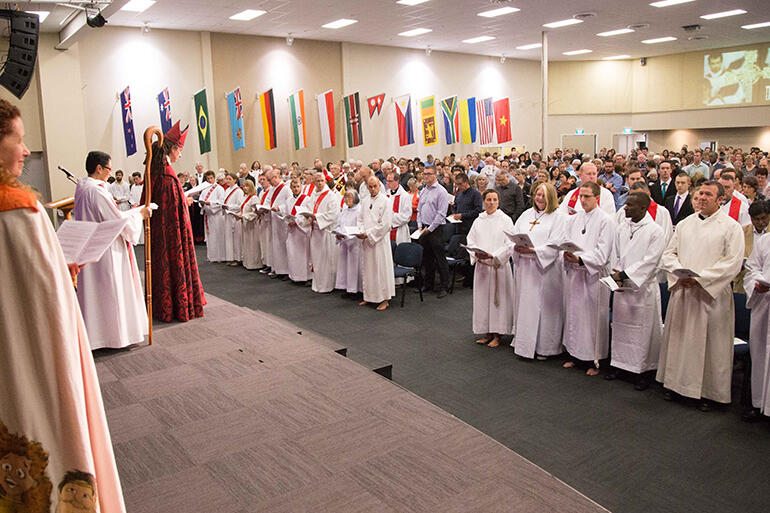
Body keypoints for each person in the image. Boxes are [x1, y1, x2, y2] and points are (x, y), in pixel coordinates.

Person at [0, 99, 126, 512]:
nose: (24, 151)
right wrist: (65, 272)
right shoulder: (18, 209)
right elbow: (46, 297)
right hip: (28, 357)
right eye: (18, 141)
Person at [657, 181, 744, 411]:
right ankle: (676, 385)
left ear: (720, 199)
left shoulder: (731, 227)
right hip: (684, 291)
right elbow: (668, 254)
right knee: (680, 340)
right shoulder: (685, 224)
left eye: (708, 195)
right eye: (700, 194)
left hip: (709, 295)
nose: (702, 198)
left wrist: (701, 278)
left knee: (710, 345)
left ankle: (709, 393)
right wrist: (679, 272)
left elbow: (732, 263)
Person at [73, 150, 152, 350]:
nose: (110, 173)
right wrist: (140, 215)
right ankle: (114, 337)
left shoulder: (83, 188)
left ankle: (99, 334)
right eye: (108, 168)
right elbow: (116, 221)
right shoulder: (97, 191)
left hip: (92, 245)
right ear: (99, 168)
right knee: (111, 291)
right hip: (107, 248)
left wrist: (131, 213)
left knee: (97, 293)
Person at [144, 120, 205, 322]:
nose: (180, 154)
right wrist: (184, 203)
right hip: (172, 237)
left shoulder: (156, 170)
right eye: (179, 150)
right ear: (172, 150)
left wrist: (181, 201)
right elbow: (171, 210)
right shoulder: (168, 176)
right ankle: (179, 305)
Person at [605, 193, 666, 390]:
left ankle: (643, 371)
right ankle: (620, 365)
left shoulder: (655, 231)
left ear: (643, 208)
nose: (625, 208)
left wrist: (625, 274)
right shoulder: (623, 227)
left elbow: (651, 261)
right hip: (623, 287)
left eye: (630, 205)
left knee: (643, 332)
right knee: (621, 328)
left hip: (642, 289)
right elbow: (616, 253)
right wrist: (616, 271)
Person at [562, 182, 616, 375]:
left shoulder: (606, 221)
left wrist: (581, 259)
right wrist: (565, 253)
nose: (582, 200)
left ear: (597, 198)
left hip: (593, 276)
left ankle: (595, 359)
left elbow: (603, 253)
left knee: (592, 318)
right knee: (575, 315)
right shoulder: (575, 219)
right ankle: (575, 355)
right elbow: (567, 240)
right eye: (581, 197)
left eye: (587, 197)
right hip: (576, 274)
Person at [511, 181, 565, 360]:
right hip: (525, 269)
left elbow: (557, 243)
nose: (539, 198)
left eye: (543, 195)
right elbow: (514, 234)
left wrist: (535, 251)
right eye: (537, 194)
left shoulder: (558, 217)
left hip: (545, 270)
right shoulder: (527, 214)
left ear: (551, 196)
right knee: (525, 306)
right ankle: (524, 344)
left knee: (543, 309)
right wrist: (515, 246)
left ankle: (545, 347)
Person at [467, 189, 515, 348]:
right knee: (483, 301)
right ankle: (486, 332)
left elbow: (510, 244)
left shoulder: (505, 220)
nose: (491, 203)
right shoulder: (479, 220)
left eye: (494, 199)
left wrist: (494, 256)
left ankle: (497, 334)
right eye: (488, 199)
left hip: (497, 267)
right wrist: (476, 253)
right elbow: (470, 240)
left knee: (497, 302)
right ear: (483, 201)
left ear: (498, 201)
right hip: (482, 267)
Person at [357, 177, 396, 310]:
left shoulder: (386, 201)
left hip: (379, 241)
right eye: (370, 186)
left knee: (380, 269)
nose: (372, 189)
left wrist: (369, 233)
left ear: (379, 186)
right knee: (368, 270)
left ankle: (384, 299)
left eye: (375, 186)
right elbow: (360, 219)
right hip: (367, 240)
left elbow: (385, 224)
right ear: (367, 187)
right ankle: (369, 297)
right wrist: (362, 231)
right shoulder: (365, 200)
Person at [743, 232, 770, 421]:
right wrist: (757, 282)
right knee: (759, 354)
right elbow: (752, 267)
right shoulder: (765, 240)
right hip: (763, 304)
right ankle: (759, 403)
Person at [299, 171, 340, 293]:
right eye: (317, 181)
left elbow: (333, 214)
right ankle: (317, 284)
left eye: (322, 181)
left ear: (325, 181)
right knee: (316, 260)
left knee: (325, 260)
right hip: (315, 232)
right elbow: (307, 208)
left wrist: (316, 217)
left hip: (325, 231)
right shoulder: (313, 195)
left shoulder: (331, 196)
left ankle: (326, 285)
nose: (320, 183)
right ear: (314, 182)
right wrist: (306, 216)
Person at [417, 164, 451, 298]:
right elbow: (419, 209)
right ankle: (428, 283)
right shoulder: (424, 190)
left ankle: (444, 286)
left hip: (436, 229)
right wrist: (420, 225)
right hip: (424, 228)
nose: (425, 176)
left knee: (440, 258)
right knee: (427, 258)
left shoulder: (441, 191)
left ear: (435, 175)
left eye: (428, 174)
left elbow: (441, 214)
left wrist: (430, 229)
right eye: (424, 174)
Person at [335, 189, 362, 297]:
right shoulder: (344, 210)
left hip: (354, 243)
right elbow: (339, 224)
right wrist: (338, 232)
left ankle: (356, 290)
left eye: (349, 197)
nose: (347, 200)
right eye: (345, 197)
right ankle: (347, 287)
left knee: (354, 267)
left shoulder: (359, 211)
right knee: (345, 266)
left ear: (355, 198)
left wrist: (349, 235)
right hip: (344, 242)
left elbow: (359, 227)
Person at [266, 168, 292, 278]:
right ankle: (278, 269)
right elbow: (267, 201)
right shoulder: (272, 189)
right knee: (276, 246)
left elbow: (290, 203)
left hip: (282, 220)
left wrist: (279, 208)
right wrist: (263, 207)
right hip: (274, 219)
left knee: (283, 245)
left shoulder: (286, 189)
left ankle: (286, 270)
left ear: (276, 177)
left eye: (269, 179)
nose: (269, 182)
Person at [285, 177, 312, 283]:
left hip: (302, 231)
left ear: (301, 187)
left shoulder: (307, 199)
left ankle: (306, 277)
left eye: (298, 187)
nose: (296, 189)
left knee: (303, 254)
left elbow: (308, 215)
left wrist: (297, 222)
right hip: (292, 231)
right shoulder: (288, 201)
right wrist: (289, 221)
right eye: (294, 187)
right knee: (293, 253)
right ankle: (295, 276)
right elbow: (287, 214)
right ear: (291, 188)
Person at [199, 170, 225, 263]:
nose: (209, 180)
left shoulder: (219, 189)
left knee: (217, 235)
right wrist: (202, 204)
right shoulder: (205, 189)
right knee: (210, 236)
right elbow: (201, 199)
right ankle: (211, 256)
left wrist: (211, 203)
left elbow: (221, 202)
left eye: (211, 178)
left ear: (215, 178)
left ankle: (219, 257)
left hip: (216, 215)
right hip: (208, 216)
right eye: (208, 178)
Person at [221, 172, 244, 266]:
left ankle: (237, 258)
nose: (227, 181)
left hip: (234, 216)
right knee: (228, 237)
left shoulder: (238, 191)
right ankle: (230, 257)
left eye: (230, 179)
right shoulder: (227, 190)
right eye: (227, 179)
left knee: (235, 238)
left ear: (235, 180)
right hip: (227, 216)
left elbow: (240, 205)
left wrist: (229, 207)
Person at [239, 179, 262, 270]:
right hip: (246, 224)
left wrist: (244, 216)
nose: (245, 188)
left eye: (247, 186)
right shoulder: (245, 197)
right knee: (247, 243)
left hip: (252, 224)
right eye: (244, 186)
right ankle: (247, 262)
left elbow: (255, 213)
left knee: (253, 244)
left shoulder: (254, 198)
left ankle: (254, 263)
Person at [385, 171, 412, 244]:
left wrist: (390, 217)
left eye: (390, 181)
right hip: (387, 230)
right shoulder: (386, 194)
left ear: (397, 181)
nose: (387, 183)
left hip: (400, 230)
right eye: (387, 180)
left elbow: (406, 216)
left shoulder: (405, 196)